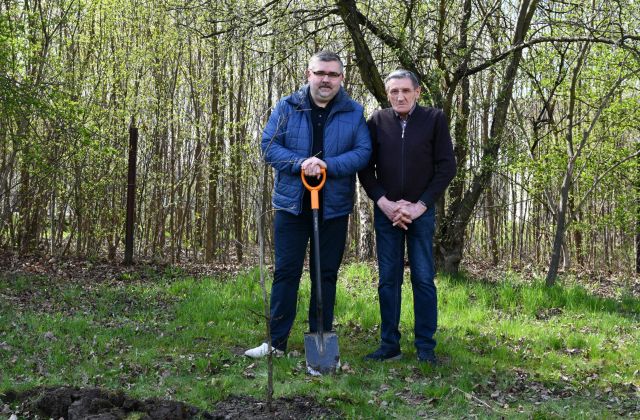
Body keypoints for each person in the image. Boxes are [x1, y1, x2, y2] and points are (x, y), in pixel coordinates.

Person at [245, 51, 371, 358]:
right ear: (308, 74)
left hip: (334, 207)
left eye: (332, 74)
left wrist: (326, 165)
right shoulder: (288, 107)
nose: (326, 79)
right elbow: (269, 146)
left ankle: (320, 338)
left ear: (342, 78)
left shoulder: (354, 112)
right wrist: (302, 163)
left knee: (324, 274)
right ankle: (276, 343)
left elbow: (363, 152)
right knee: (286, 272)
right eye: (320, 73)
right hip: (292, 205)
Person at [358, 69, 456, 364]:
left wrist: (420, 206)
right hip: (387, 213)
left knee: (424, 279)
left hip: (421, 213)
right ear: (387, 95)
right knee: (388, 280)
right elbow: (365, 168)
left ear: (417, 92)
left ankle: (425, 347)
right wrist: (385, 203)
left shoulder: (434, 119)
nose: (399, 96)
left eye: (405, 91)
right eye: (393, 92)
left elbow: (446, 168)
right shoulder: (377, 121)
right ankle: (390, 345)